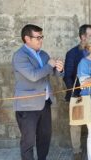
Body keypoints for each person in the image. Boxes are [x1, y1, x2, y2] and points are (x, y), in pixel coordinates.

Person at [12, 24, 64, 160]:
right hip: (27, 106)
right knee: (28, 141)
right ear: (27, 39)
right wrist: (50, 65)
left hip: (45, 103)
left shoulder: (44, 54)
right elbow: (33, 76)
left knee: (45, 138)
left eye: (42, 37)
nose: (41, 40)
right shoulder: (19, 56)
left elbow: (54, 74)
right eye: (38, 37)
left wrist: (59, 68)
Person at [63, 24, 91, 159]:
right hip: (77, 94)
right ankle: (77, 151)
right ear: (83, 37)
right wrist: (75, 93)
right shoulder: (72, 53)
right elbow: (67, 76)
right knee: (76, 125)